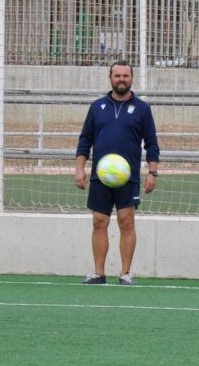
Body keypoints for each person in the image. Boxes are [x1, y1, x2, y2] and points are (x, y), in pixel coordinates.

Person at [75, 60, 159, 286]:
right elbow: (85, 140)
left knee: (126, 221)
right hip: (100, 177)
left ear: (132, 78)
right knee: (99, 221)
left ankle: (125, 273)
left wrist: (153, 172)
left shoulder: (142, 109)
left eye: (125, 76)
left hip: (128, 177)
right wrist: (79, 168)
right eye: (117, 75)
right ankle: (98, 273)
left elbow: (151, 143)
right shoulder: (97, 107)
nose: (121, 79)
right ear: (110, 78)